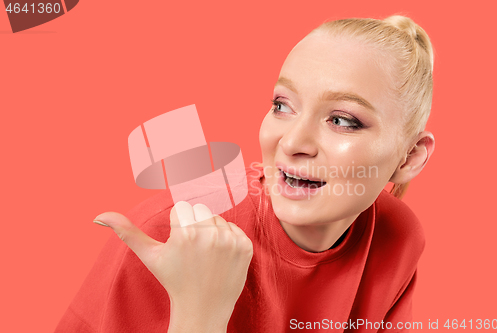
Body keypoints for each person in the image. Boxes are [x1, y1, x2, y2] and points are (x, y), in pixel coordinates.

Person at [55, 14, 435, 332]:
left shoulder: (397, 236)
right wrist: (200, 314)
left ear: (410, 157)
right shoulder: (165, 237)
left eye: (342, 120)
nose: (292, 141)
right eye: (283, 105)